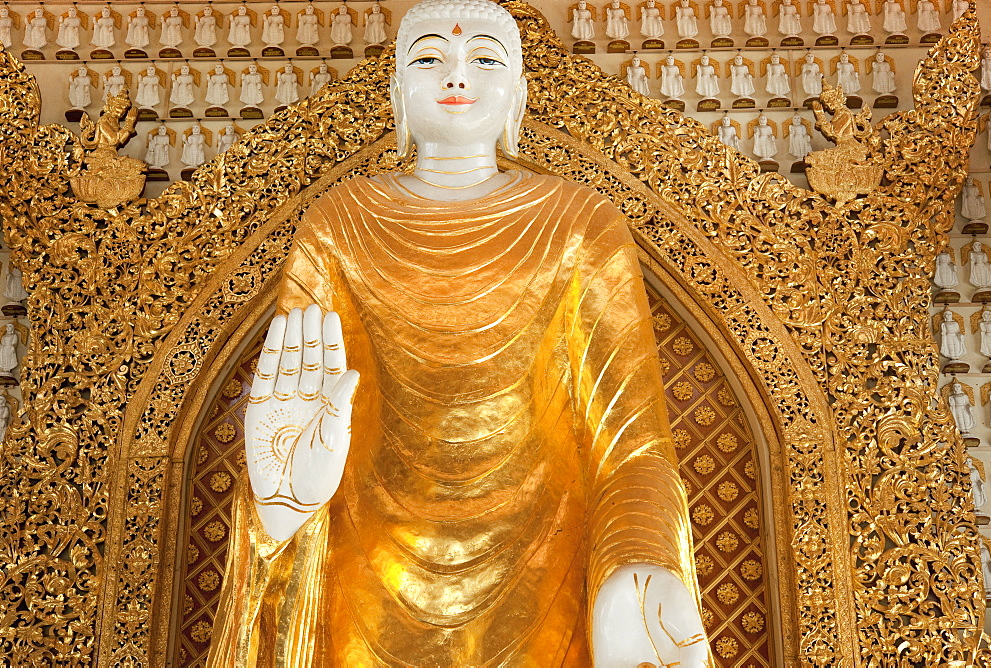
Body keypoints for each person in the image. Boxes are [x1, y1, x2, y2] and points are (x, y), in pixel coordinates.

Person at [207, 0, 705, 665]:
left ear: (518, 96)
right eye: (429, 58)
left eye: (484, 59)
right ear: (396, 96)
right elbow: (288, 417)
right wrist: (281, 507)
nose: (457, 75)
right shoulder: (339, 224)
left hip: (541, 570)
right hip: (369, 571)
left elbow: (634, 449)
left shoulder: (580, 225)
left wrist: (643, 566)